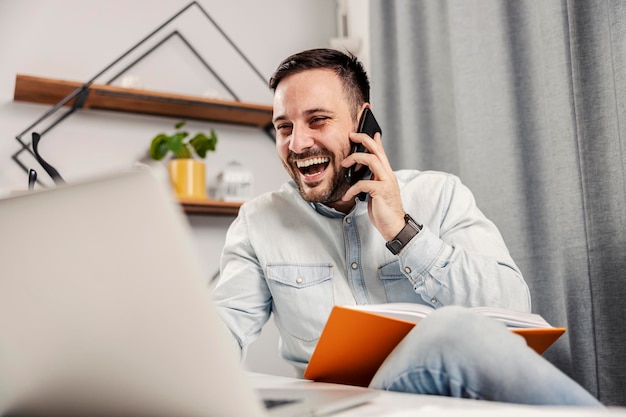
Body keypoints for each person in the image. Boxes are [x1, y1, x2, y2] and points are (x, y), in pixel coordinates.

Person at [212, 48, 601, 406]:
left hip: (437, 404)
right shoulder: (259, 221)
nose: (297, 144)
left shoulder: (440, 194)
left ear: (362, 121)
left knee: (452, 329)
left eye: (317, 120)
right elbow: (221, 331)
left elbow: (510, 308)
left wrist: (403, 232)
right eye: (284, 128)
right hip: (335, 411)